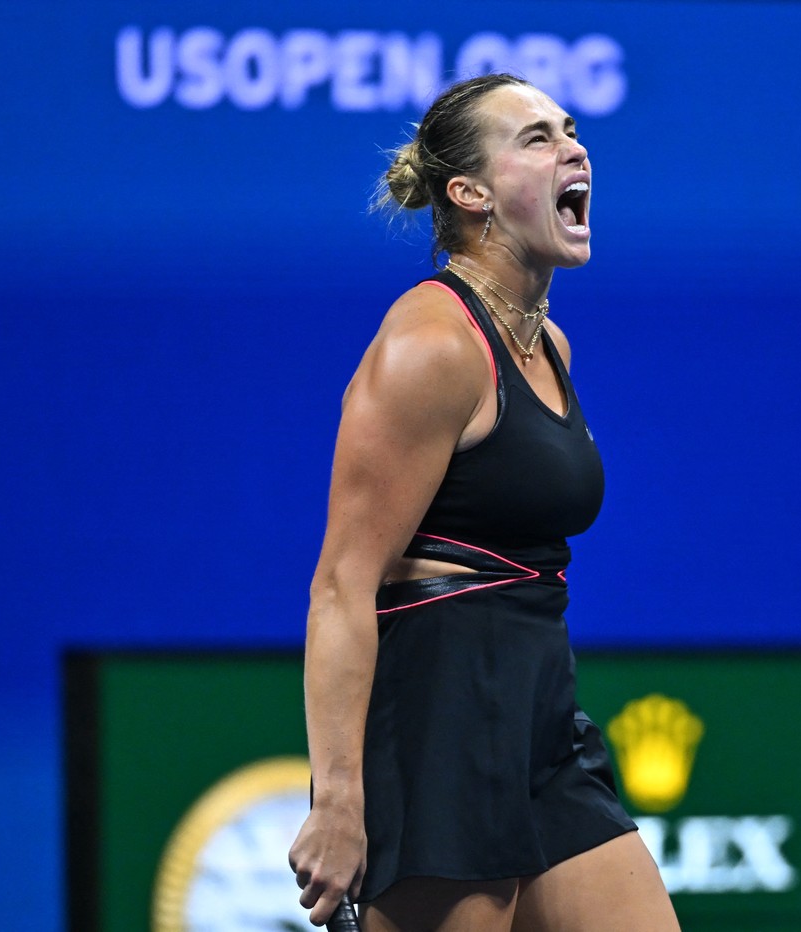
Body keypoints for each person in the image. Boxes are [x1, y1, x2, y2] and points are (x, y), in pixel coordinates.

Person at [285, 73, 681, 931]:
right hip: (439, 723)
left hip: (541, 716)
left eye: (570, 129)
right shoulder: (430, 346)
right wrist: (339, 800)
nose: (573, 146)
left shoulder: (550, 345)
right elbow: (343, 588)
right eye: (535, 137)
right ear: (469, 194)